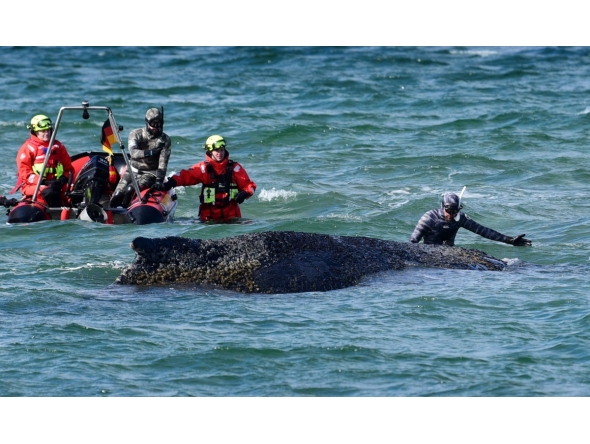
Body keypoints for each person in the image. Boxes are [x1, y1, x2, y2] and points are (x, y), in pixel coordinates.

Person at [155, 135, 256, 222]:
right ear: (210, 151)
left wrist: (244, 193)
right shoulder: (203, 169)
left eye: (222, 150)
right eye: (216, 150)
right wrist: (171, 182)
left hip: (232, 217)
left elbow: (250, 186)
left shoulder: (235, 168)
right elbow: (185, 176)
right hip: (208, 219)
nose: (219, 153)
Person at [410, 191, 532, 247]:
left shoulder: (460, 218)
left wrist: (509, 240)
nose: (451, 215)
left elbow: (483, 231)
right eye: (449, 211)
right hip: (429, 252)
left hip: (449, 253)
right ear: (443, 207)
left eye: (455, 211)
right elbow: (413, 241)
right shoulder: (429, 217)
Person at [109, 107, 172, 208]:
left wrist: (159, 180)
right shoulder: (136, 134)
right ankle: (110, 215)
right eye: (153, 124)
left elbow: (163, 163)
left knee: (130, 190)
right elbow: (133, 152)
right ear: (147, 123)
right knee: (117, 195)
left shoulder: (165, 140)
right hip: (131, 171)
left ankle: (126, 214)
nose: (156, 127)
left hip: (150, 174)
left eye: (159, 124)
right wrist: (150, 152)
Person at [14, 114, 74, 207]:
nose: (47, 133)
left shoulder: (58, 146)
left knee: (76, 190)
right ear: (35, 132)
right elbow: (25, 174)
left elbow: (68, 168)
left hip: (57, 183)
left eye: (48, 130)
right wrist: (44, 182)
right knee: (50, 192)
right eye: (43, 131)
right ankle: (56, 215)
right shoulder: (27, 148)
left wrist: (62, 180)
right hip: (34, 185)